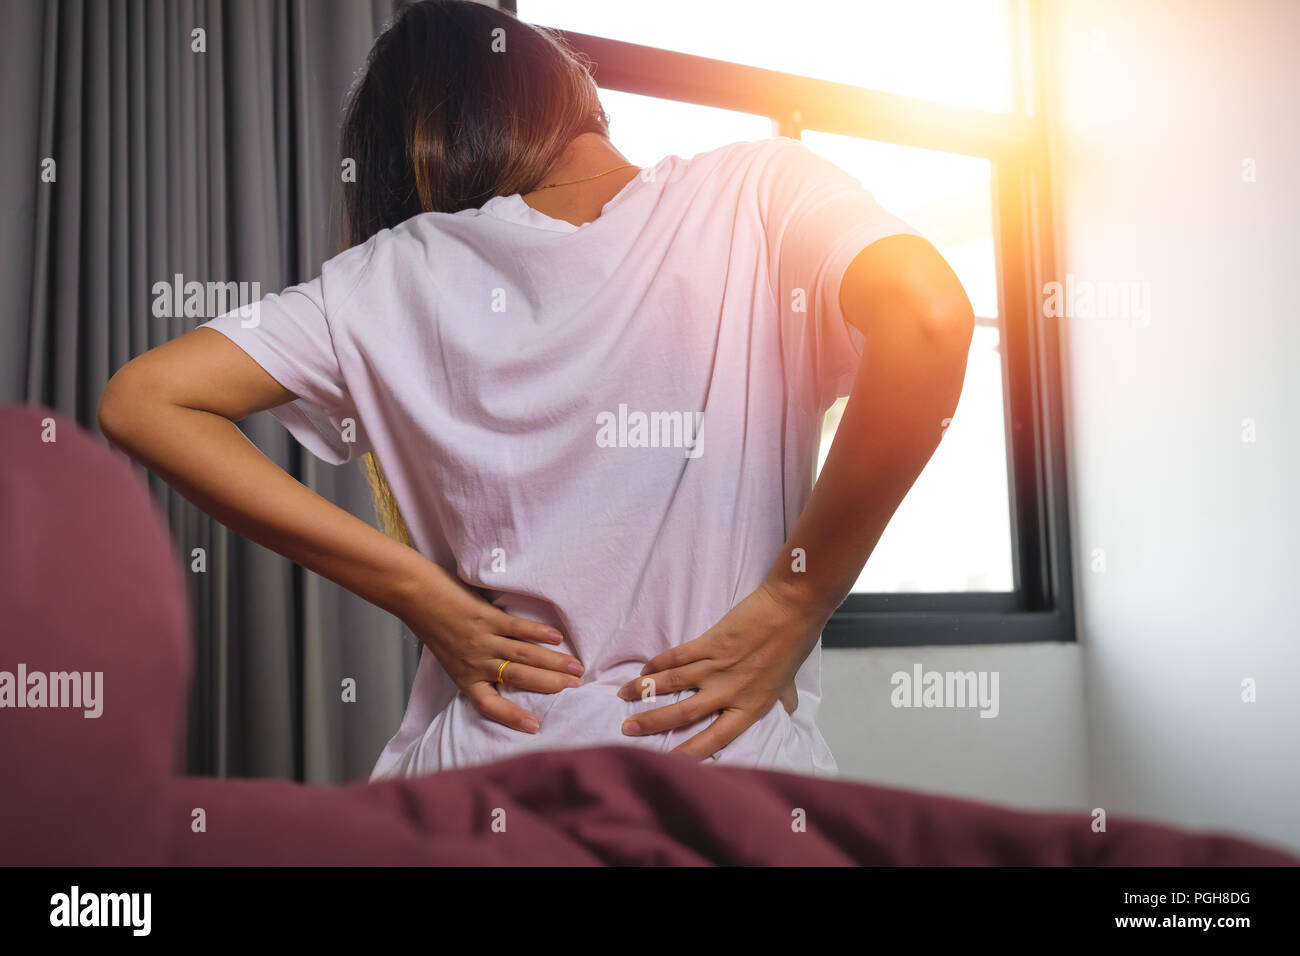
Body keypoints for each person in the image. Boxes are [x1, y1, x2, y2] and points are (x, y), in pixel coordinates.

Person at [98, 0, 974, 778]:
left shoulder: (389, 273)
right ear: (571, 97)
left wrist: (417, 592)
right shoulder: (759, 189)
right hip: (731, 776)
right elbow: (930, 316)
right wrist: (798, 595)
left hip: (478, 791)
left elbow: (140, 400)